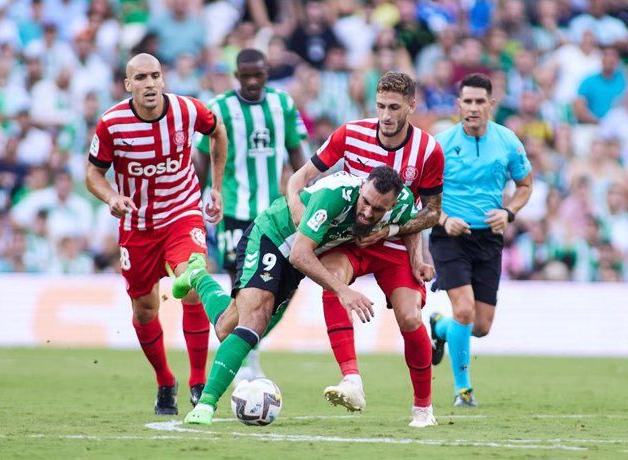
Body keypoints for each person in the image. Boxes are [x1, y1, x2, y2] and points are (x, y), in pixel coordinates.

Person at [171, 167, 431, 426]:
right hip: (272, 237)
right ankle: (206, 404)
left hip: (297, 264)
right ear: (362, 187)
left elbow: (411, 224)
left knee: (227, 328)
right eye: (365, 202)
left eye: (378, 210)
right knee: (253, 323)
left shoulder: (401, 203)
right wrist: (343, 290)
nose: (367, 213)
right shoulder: (335, 195)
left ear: (393, 204)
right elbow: (299, 253)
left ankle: (197, 276)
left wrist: (416, 259)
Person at [286, 71, 444, 427]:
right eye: (381, 106)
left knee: (409, 317)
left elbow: (432, 212)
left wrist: (399, 237)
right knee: (332, 280)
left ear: (411, 106)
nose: (386, 115)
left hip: (392, 244)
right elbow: (299, 178)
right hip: (350, 240)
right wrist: (300, 212)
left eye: (394, 107)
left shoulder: (428, 150)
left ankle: (423, 409)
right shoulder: (350, 134)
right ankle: (351, 379)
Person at [85, 53, 228, 415]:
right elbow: (93, 174)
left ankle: (199, 381)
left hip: (182, 213)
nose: (150, 84)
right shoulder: (111, 124)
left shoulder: (188, 110)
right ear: (127, 84)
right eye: (141, 78)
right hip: (137, 226)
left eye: (155, 76)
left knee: (194, 284)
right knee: (146, 310)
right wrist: (111, 196)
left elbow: (218, 132)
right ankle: (166, 381)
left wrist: (216, 187)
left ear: (163, 80)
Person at [193, 48, 308, 381]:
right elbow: (202, 156)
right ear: (236, 75)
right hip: (234, 211)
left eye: (259, 74)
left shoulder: (283, 104)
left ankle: (242, 345)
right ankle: (243, 360)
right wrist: (194, 201)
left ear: (267, 71)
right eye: (247, 76)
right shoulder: (219, 107)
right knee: (241, 289)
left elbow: (298, 154)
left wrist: (307, 197)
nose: (254, 81)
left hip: (272, 215)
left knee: (285, 291)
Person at [428, 73, 533, 407]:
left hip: (489, 239)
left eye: (479, 101)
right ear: (458, 105)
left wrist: (509, 213)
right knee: (465, 309)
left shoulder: (508, 141)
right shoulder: (441, 144)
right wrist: (444, 219)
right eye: (466, 101)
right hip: (448, 238)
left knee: (481, 326)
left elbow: (525, 185)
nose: (472, 108)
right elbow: (420, 195)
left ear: (491, 104)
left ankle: (440, 328)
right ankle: (463, 389)